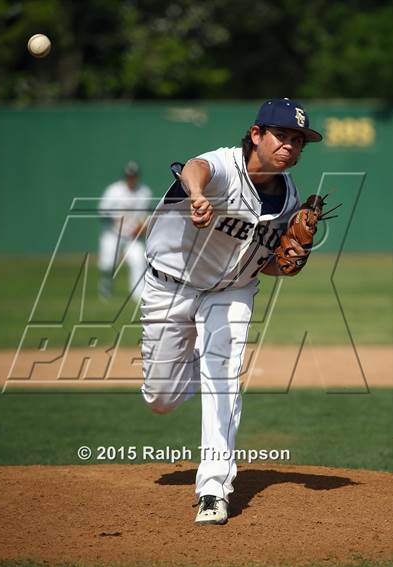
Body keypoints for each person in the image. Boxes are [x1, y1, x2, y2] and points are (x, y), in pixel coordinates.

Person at [140, 98, 323, 525]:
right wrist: (199, 195)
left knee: (222, 376)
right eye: (282, 135)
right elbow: (193, 169)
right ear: (257, 134)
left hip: (231, 292)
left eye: (298, 141)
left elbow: (270, 263)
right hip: (170, 285)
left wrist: (289, 263)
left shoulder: (290, 197)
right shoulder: (223, 165)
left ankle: (214, 489)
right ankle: (194, 362)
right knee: (160, 399)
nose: (290, 146)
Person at [98, 161, 152, 302]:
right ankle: (105, 289)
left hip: (132, 236)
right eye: (129, 175)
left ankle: (138, 294)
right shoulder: (113, 191)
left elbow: (146, 216)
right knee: (108, 264)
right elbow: (103, 212)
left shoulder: (144, 192)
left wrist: (142, 227)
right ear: (125, 176)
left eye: (134, 175)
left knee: (138, 260)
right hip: (112, 234)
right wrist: (115, 222)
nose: (131, 178)